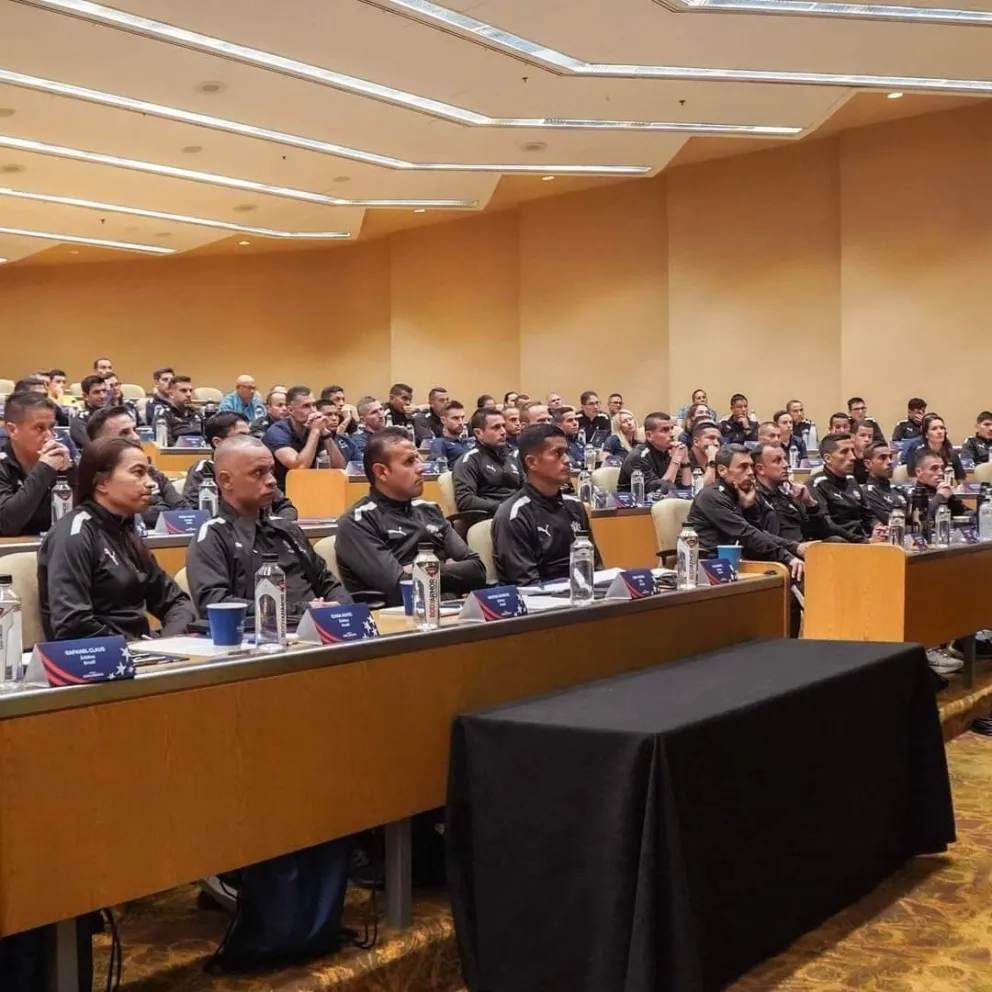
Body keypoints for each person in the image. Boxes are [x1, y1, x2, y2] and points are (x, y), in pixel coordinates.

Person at [37, 437, 194, 640]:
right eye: (138, 473)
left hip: (141, 648)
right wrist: (134, 648)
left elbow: (176, 602)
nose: (151, 483)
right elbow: (73, 625)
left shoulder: (125, 531)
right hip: (98, 654)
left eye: (148, 473)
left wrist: (169, 640)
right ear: (102, 483)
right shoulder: (72, 535)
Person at [185, 436, 343, 617]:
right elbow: (217, 604)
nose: (272, 480)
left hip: (321, 626)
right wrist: (305, 609)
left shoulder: (287, 529)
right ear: (226, 480)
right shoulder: (212, 536)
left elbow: (330, 584)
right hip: (264, 631)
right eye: (258, 472)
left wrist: (342, 610)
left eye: (271, 470)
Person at [335, 428, 487, 605]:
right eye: (409, 462)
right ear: (381, 472)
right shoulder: (358, 522)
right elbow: (399, 587)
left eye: (418, 459)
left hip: (450, 608)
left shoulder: (429, 510)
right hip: (398, 617)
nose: (421, 468)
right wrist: (450, 568)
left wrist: (417, 569)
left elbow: (478, 570)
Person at [492, 424, 602, 587]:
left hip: (583, 594)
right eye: (557, 453)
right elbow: (526, 586)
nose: (567, 460)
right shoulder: (513, 515)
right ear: (532, 462)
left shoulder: (576, 507)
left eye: (566, 452)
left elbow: (596, 568)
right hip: (542, 598)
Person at [686, 445, 809, 579]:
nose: (750, 472)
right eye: (743, 467)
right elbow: (746, 534)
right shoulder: (711, 496)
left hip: (737, 563)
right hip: (710, 567)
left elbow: (759, 532)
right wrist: (788, 557)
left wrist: (795, 547)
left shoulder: (739, 495)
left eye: (751, 466)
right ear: (722, 470)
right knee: (796, 573)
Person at [183, 412, 296, 519]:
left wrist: (279, 525)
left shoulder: (258, 467)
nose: (249, 440)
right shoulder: (204, 469)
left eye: (250, 435)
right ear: (217, 442)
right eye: (242, 436)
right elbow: (194, 510)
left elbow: (285, 506)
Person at [85, 405, 185, 527]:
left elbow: (183, 510)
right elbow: (114, 514)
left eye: (134, 430)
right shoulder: (90, 478)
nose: (136, 437)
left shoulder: (151, 471)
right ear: (100, 442)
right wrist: (164, 509)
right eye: (124, 433)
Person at [0, 392, 74, 536]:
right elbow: (6, 525)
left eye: (51, 427)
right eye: (39, 428)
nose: (49, 437)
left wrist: (69, 472)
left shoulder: (60, 462)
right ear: (12, 430)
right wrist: (44, 469)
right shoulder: (2, 465)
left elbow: (80, 518)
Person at [751, 441, 848, 544]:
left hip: (805, 548)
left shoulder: (789, 496)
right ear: (760, 469)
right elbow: (759, 538)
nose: (786, 464)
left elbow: (823, 533)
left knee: (836, 541)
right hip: (781, 551)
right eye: (777, 461)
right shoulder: (753, 498)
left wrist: (810, 503)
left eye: (785, 459)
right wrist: (795, 547)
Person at [262, 385, 345, 489]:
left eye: (313, 405)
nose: (313, 411)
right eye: (306, 406)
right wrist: (315, 431)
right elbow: (299, 467)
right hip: (280, 491)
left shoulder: (314, 428)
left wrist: (325, 433)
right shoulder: (277, 432)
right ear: (290, 410)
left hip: (308, 489)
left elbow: (339, 467)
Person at [806, 433, 875, 543]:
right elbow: (827, 526)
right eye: (844, 452)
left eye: (852, 451)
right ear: (828, 458)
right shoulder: (815, 484)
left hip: (863, 540)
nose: (852, 457)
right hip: (840, 544)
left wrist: (878, 528)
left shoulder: (851, 480)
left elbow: (868, 516)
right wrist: (864, 541)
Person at [452, 408, 521, 515]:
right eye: (496, 427)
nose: (503, 432)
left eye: (503, 426)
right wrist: (502, 508)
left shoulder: (513, 457)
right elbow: (465, 500)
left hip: (518, 513)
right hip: (490, 516)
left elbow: (526, 489)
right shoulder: (469, 461)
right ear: (478, 433)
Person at [617, 412, 688, 494]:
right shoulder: (638, 457)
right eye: (665, 430)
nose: (672, 434)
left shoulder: (666, 452)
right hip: (633, 502)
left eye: (672, 428)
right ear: (649, 436)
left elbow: (686, 489)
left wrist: (685, 461)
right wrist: (675, 460)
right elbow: (660, 492)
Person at [860, 441, 907, 530]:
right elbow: (891, 522)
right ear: (868, 464)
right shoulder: (867, 492)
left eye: (890, 457)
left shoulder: (897, 490)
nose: (889, 462)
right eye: (882, 458)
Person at [905, 414, 965, 481]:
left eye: (942, 428)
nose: (939, 432)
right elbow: (914, 480)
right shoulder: (916, 455)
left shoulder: (952, 455)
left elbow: (961, 481)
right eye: (934, 429)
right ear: (926, 434)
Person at [912, 451, 969, 521]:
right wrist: (940, 496)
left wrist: (951, 497)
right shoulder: (911, 495)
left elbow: (961, 513)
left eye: (942, 468)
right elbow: (924, 521)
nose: (941, 473)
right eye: (934, 468)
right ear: (919, 472)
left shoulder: (944, 489)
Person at [160, 375, 205, 446]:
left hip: (201, 451)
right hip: (177, 452)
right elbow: (166, 444)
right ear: (171, 394)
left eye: (190, 391)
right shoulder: (164, 414)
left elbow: (207, 439)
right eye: (183, 391)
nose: (189, 394)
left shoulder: (197, 413)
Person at [69, 373, 109, 449]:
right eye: (96, 392)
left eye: (104, 391)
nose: (102, 396)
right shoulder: (79, 421)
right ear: (85, 396)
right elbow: (92, 446)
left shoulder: (114, 415)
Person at [428, 401, 471, 466]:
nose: (461, 422)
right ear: (443, 420)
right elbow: (439, 468)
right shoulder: (439, 443)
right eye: (455, 418)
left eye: (462, 418)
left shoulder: (469, 442)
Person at [350, 395, 387, 462]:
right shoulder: (358, 440)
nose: (381, 415)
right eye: (374, 412)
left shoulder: (391, 434)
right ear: (363, 420)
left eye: (381, 409)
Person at [850, 421, 876, 485]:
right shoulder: (847, 458)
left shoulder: (875, 459)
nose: (867, 439)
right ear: (852, 437)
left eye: (870, 436)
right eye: (862, 435)